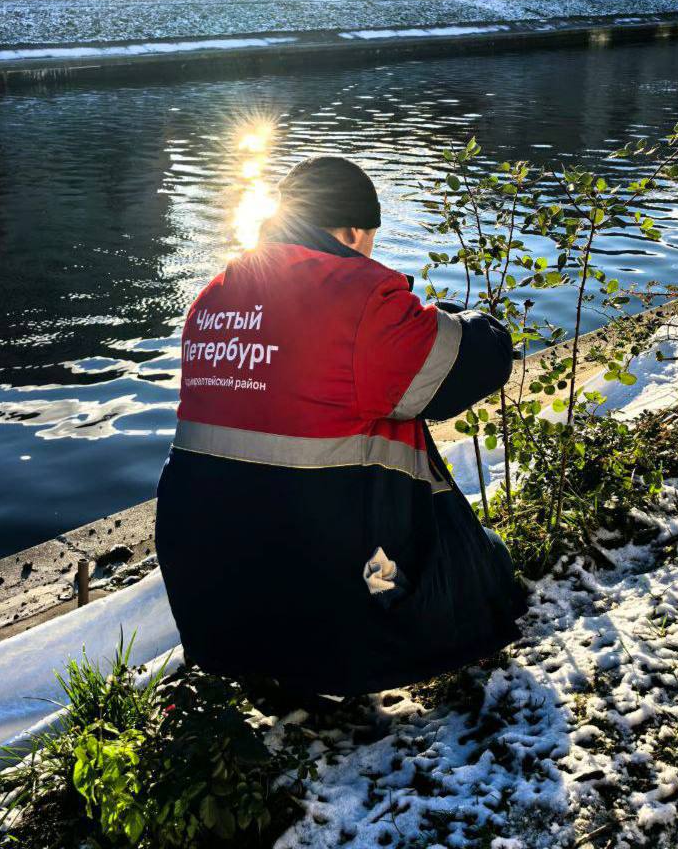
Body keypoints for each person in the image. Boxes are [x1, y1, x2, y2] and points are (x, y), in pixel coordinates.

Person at [156, 155, 526, 697]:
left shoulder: (211, 299)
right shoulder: (358, 298)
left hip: (208, 603)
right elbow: (476, 363)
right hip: (331, 609)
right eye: (372, 237)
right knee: (488, 563)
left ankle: (268, 667)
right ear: (354, 232)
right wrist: (465, 321)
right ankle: (370, 648)